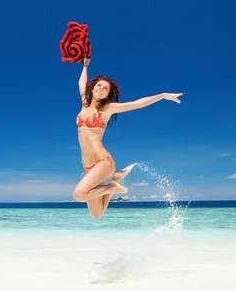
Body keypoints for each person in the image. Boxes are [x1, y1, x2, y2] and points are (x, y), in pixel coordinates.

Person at [72, 57, 183, 219]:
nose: (101, 89)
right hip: (88, 166)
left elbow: (137, 104)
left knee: (79, 195)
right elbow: (81, 83)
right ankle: (116, 179)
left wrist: (163, 95)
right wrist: (85, 65)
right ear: (93, 87)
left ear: (108, 94)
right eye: (99, 85)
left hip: (103, 162)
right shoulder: (84, 103)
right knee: (97, 214)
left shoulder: (107, 109)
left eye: (105, 88)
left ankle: (111, 187)